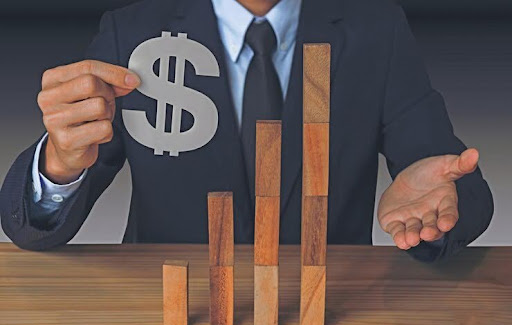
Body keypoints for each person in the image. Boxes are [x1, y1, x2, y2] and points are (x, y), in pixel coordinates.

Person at [0, 0, 493, 262]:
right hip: (173, 309)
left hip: (327, 308)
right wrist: (59, 166)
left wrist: (439, 206)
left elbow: (447, 177)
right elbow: (33, 222)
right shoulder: (132, 32)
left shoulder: (376, 29)